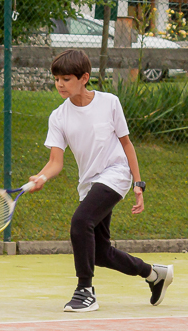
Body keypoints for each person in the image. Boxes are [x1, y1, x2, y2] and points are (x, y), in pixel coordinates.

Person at [26, 48, 173, 312]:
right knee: (100, 253)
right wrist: (42, 177)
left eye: (66, 79)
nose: (60, 84)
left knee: (80, 222)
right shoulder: (58, 116)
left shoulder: (109, 102)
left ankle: (85, 291)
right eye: (56, 78)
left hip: (116, 174)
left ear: (84, 78)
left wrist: (138, 184)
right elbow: (55, 162)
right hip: (90, 183)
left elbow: (127, 144)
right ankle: (154, 275)